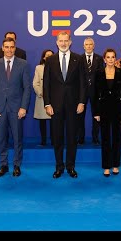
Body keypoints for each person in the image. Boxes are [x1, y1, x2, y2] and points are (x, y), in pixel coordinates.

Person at [43, 31, 85, 179]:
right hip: (55, 106)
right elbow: (46, 84)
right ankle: (59, 167)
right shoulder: (50, 60)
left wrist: (81, 101)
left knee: (72, 137)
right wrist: (47, 103)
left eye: (66, 40)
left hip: (74, 105)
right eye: (61, 41)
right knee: (57, 137)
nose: (63, 43)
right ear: (56, 42)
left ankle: (70, 166)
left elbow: (82, 83)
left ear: (70, 42)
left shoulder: (78, 59)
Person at [0, 37, 31, 177]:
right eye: (6, 47)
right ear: (2, 48)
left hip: (17, 108)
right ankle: (3, 165)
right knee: (1, 138)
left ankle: (17, 165)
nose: (9, 50)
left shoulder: (23, 64)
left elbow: (27, 88)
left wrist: (24, 107)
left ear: (15, 47)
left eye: (11, 47)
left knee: (17, 138)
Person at [93, 48, 121, 177]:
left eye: (112, 57)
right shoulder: (98, 73)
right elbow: (94, 94)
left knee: (116, 138)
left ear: (116, 59)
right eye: (108, 57)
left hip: (118, 109)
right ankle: (106, 166)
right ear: (104, 59)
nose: (110, 59)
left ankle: (115, 165)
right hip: (103, 110)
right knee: (105, 138)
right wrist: (96, 112)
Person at [77, 37, 104, 145]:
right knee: (80, 115)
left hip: (95, 91)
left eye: (90, 44)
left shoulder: (99, 58)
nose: (88, 46)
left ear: (94, 46)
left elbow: (102, 75)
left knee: (96, 114)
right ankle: (81, 138)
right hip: (81, 91)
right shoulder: (79, 59)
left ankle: (95, 137)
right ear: (84, 46)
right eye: (86, 44)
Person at [33, 49, 54, 146]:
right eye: (47, 55)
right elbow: (35, 83)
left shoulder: (58, 67)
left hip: (55, 98)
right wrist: (41, 93)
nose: (49, 57)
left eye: (51, 55)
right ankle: (43, 141)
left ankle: (55, 140)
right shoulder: (39, 68)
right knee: (42, 121)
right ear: (44, 58)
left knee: (54, 121)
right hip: (42, 98)